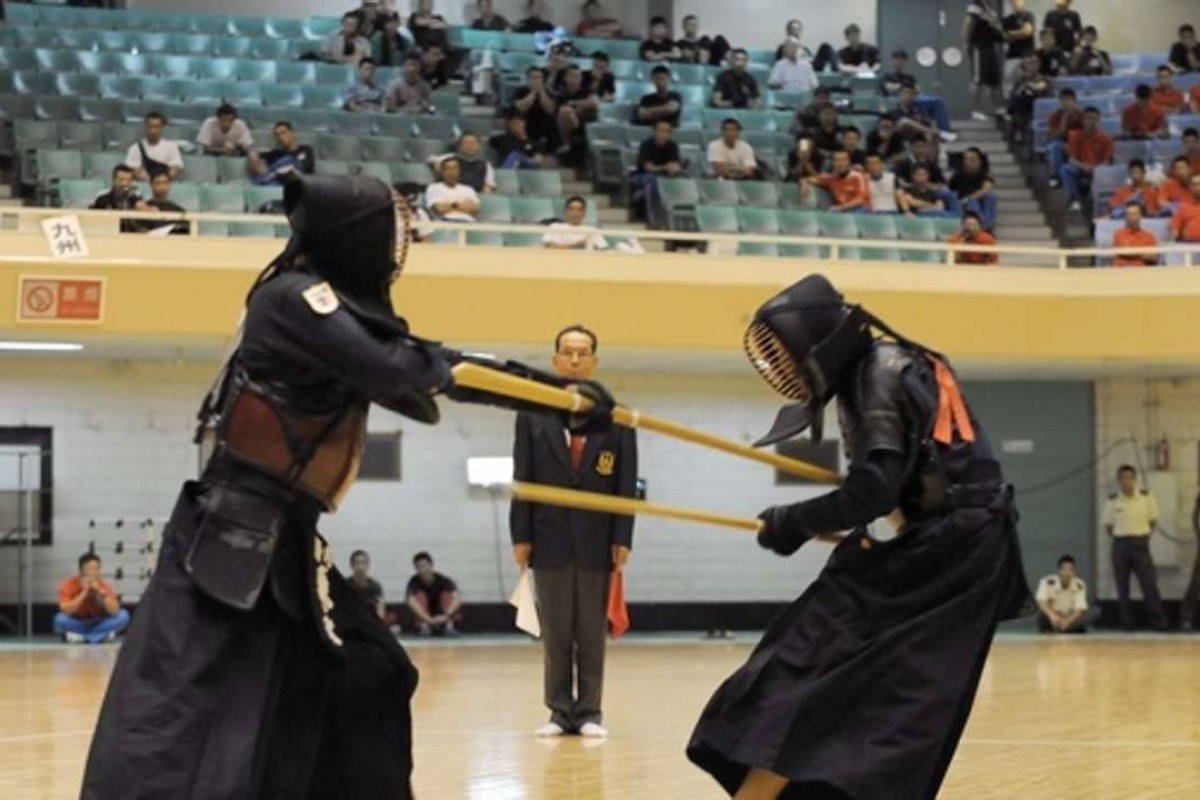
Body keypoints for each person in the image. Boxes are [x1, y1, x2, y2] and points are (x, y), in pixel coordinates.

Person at [82, 172, 613, 798]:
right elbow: (401, 366)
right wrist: (558, 400)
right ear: (351, 235)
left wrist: (561, 400)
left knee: (370, 675)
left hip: (284, 535)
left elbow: (425, 362)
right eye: (388, 234)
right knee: (195, 718)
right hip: (235, 537)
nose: (397, 249)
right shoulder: (291, 298)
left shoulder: (326, 306)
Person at [688, 274, 1031, 799]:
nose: (784, 370)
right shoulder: (886, 364)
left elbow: (873, 489)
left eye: (787, 355)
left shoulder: (879, 370)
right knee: (870, 687)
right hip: (961, 543)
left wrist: (794, 522)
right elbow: (897, 485)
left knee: (826, 659)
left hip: (956, 546)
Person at [511, 324, 637, 738]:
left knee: (590, 633)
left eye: (583, 353)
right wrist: (521, 535)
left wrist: (623, 538)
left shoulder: (617, 419)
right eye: (568, 352)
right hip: (548, 539)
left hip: (597, 542)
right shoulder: (532, 414)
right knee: (557, 632)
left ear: (594, 361)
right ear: (556, 360)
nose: (575, 359)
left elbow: (626, 484)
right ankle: (559, 712)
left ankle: (590, 713)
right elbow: (522, 477)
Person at [1103, 465, 1167, 630]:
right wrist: (1123, 536)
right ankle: (1126, 621)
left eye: (1130, 478)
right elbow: (1109, 526)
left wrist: (1141, 537)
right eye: (1123, 478)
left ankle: (1158, 621)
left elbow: (1153, 521)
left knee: (1149, 583)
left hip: (1140, 543)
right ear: (1118, 481)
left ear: (1134, 479)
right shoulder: (1112, 500)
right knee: (1122, 585)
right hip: (1120, 544)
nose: (1127, 482)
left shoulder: (1146, 497)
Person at [55, 553, 131, 644]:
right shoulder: (68, 584)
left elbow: (115, 611)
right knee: (59, 619)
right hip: (78, 621)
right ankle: (100, 636)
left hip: (99, 621)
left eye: (96, 569)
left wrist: (99, 593)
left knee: (124, 616)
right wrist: (85, 592)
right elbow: (66, 610)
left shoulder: (104, 585)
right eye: (89, 569)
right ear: (81, 571)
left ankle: (82, 637)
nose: (93, 573)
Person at [631, 120, 683, 228]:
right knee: (652, 181)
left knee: (682, 181)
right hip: (642, 176)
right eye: (661, 131)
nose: (663, 134)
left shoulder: (673, 146)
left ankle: (675, 221)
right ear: (654, 131)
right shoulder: (646, 144)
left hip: (665, 177)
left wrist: (674, 168)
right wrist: (664, 167)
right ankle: (653, 219)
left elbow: (675, 165)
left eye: (667, 131)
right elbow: (648, 167)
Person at [1061, 106, 1113, 212]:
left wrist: (1095, 168)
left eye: (1094, 119)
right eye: (1089, 118)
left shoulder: (1106, 138)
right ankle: (1074, 198)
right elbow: (1072, 159)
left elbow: (1107, 160)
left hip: (1099, 169)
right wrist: (1084, 166)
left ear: (1098, 121)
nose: (1091, 122)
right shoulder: (1074, 136)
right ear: (1083, 120)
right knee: (1066, 169)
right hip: (1080, 167)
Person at [964, 0, 1005, 121]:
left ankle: (995, 108)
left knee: (994, 80)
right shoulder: (975, 6)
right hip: (979, 47)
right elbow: (968, 23)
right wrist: (967, 42)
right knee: (978, 79)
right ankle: (976, 110)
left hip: (990, 47)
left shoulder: (990, 10)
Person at [405, 552, 462, 636]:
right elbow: (411, 601)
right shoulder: (414, 581)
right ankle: (424, 627)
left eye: (425, 565)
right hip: (425, 617)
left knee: (447, 594)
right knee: (418, 595)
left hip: (443, 614)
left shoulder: (443, 579)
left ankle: (449, 627)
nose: (423, 569)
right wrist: (428, 619)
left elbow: (457, 597)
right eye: (419, 567)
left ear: (431, 565)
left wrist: (446, 615)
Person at [1036, 555, 1092, 633]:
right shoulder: (1047, 582)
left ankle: (1068, 631)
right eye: (1064, 569)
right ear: (1059, 570)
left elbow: (1079, 608)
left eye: (1070, 570)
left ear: (1074, 572)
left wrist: (1067, 621)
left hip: (1070, 615)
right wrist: (1053, 616)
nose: (1067, 573)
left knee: (1089, 615)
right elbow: (1041, 601)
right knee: (1041, 615)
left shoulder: (1080, 585)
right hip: (1054, 615)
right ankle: (1049, 632)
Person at [249, 121, 316, 186]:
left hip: (300, 182)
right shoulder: (275, 154)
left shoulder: (306, 149)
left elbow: (308, 170)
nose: (281, 137)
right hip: (280, 182)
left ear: (292, 133)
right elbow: (254, 154)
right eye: (277, 135)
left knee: (289, 160)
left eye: (283, 133)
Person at [948, 147, 997, 230]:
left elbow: (986, 190)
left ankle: (985, 225)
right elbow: (949, 190)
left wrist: (969, 199)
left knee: (991, 197)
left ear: (979, 161)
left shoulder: (985, 174)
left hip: (978, 204)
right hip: (963, 205)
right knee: (972, 203)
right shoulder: (958, 174)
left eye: (972, 159)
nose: (968, 162)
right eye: (966, 159)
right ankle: (984, 227)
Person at [512, 67, 559, 153]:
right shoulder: (520, 91)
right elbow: (521, 107)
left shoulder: (547, 93)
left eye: (539, 77)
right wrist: (533, 92)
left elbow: (550, 109)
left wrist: (541, 91)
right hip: (526, 124)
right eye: (534, 77)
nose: (537, 80)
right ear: (527, 79)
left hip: (543, 125)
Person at [125, 111, 182, 182]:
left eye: (157, 127)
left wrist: (162, 181)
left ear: (162, 127)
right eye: (150, 127)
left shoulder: (171, 147)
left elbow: (175, 167)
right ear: (145, 127)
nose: (153, 131)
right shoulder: (135, 148)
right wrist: (151, 182)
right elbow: (135, 169)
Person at [555, 65, 598, 156]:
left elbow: (593, 102)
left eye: (577, 76)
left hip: (587, 122)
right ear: (565, 78)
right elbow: (562, 111)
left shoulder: (586, 90)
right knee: (565, 112)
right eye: (571, 76)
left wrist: (573, 103)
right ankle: (567, 143)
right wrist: (580, 107)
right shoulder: (561, 94)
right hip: (569, 126)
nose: (574, 79)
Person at [1006, 53, 1051, 139]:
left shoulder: (1045, 79)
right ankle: (1018, 129)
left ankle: (1019, 129)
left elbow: (1041, 89)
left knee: (1025, 97)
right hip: (1021, 109)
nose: (1031, 65)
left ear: (1039, 64)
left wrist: (1029, 87)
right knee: (1019, 99)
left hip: (1037, 108)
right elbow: (1013, 95)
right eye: (1028, 63)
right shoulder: (1019, 81)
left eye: (1034, 62)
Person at [1046, 87, 1083, 188]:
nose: (1067, 103)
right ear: (1060, 102)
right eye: (1064, 100)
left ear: (1075, 101)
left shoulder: (1082, 116)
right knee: (1055, 147)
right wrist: (1064, 119)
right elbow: (1055, 135)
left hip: (1080, 145)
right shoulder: (1055, 116)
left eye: (1069, 100)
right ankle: (1056, 176)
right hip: (1062, 143)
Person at [424, 157, 480, 222]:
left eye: (454, 168)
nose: (451, 172)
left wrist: (450, 205)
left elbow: (474, 209)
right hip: (445, 224)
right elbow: (439, 209)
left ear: (459, 170)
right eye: (447, 169)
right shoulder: (433, 188)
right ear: (442, 172)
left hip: (467, 223)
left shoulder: (469, 189)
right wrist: (462, 205)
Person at [541, 196, 607, 250]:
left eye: (579, 210)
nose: (575, 213)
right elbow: (549, 246)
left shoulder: (592, 230)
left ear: (584, 213)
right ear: (566, 211)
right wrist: (576, 247)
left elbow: (602, 248)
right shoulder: (555, 227)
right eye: (571, 209)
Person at [1002, 0, 1037, 90]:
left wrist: (1012, 33)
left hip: (1027, 56)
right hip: (1012, 56)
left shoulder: (1028, 15)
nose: (1016, 3)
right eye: (1013, 2)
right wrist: (1019, 33)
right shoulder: (1007, 20)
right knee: (1009, 85)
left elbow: (1027, 32)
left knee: (1027, 84)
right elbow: (1004, 37)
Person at [348, 549, 386, 619]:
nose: (360, 567)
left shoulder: (375, 586)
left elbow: (380, 609)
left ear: (368, 565)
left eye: (363, 563)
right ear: (351, 566)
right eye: (357, 563)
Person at [1170, 175, 1200, 243]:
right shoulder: (1183, 206)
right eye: (1194, 185)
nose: (1198, 188)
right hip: (1188, 244)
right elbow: (1175, 229)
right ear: (1190, 188)